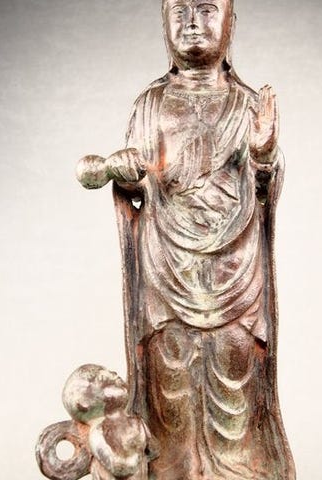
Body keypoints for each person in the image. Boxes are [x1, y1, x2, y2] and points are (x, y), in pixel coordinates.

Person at [77, 1, 295, 478]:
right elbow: (139, 182)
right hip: (166, 269)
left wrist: (263, 157)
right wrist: (129, 176)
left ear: (231, 23)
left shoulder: (246, 105)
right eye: (179, 11)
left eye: (207, 9)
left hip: (236, 273)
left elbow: (263, 190)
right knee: (170, 385)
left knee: (237, 385)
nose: (193, 22)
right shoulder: (150, 104)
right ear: (164, 24)